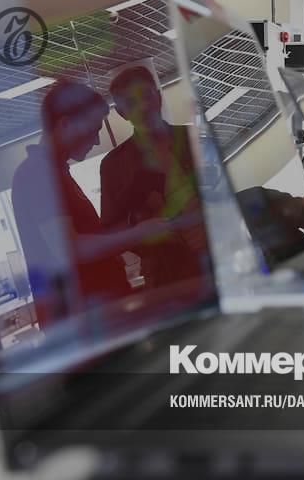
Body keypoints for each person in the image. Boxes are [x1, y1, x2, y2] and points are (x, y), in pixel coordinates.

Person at [12, 81, 131, 328]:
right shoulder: (37, 173)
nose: (96, 141)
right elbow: (70, 249)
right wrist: (139, 233)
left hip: (99, 315)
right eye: (93, 130)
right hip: (84, 323)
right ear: (65, 124)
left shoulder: (56, 171)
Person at [100, 66, 207, 291]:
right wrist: (146, 232)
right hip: (168, 274)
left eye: (146, 95)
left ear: (158, 97)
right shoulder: (114, 166)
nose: (143, 107)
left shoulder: (195, 138)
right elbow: (111, 231)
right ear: (121, 113)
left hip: (221, 253)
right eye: (131, 103)